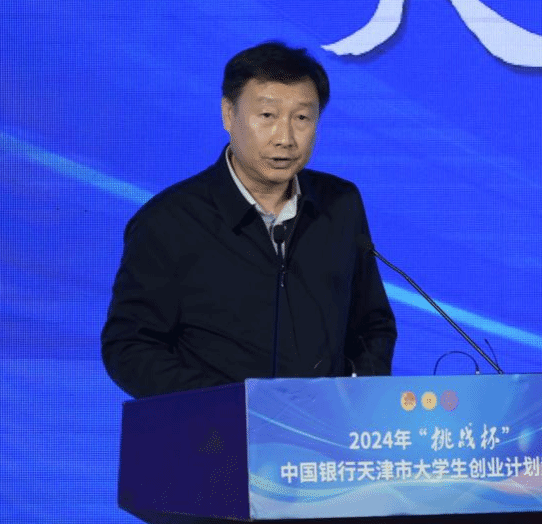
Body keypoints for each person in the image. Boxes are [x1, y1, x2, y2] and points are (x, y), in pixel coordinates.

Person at [101, 40, 397, 396]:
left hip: (324, 426)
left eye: (302, 118)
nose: (285, 138)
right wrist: (226, 405)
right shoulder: (170, 221)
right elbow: (129, 348)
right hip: (217, 426)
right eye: (267, 116)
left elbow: (372, 324)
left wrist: (356, 397)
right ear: (229, 115)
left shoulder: (339, 203)